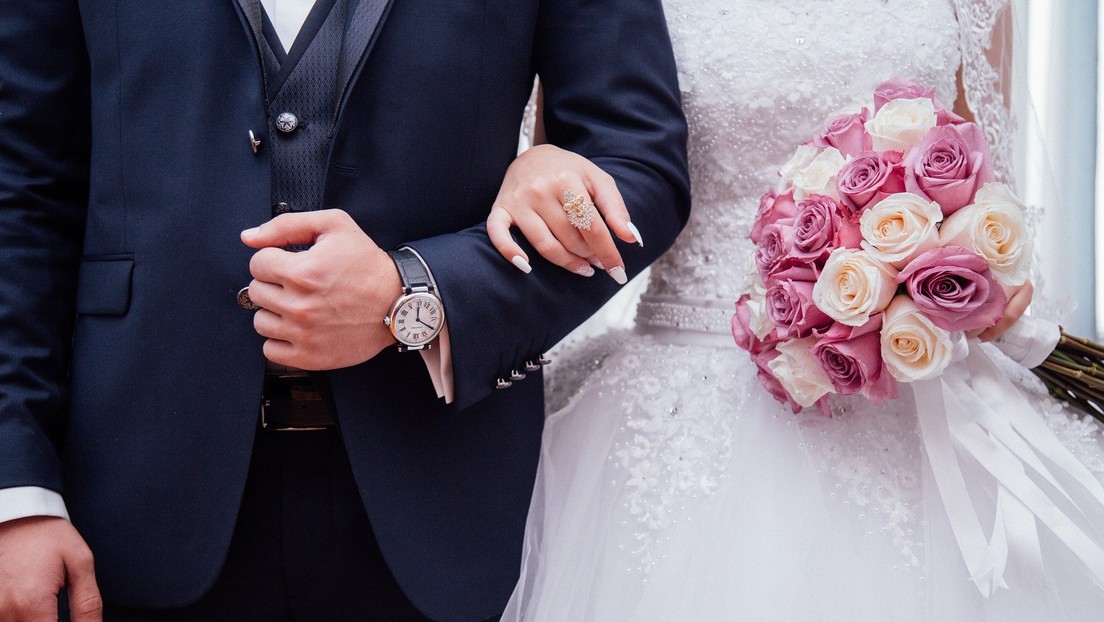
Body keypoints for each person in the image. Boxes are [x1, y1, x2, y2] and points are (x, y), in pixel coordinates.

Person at [0, 1, 689, 620]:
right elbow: (22, 185)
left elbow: (638, 167)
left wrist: (417, 294)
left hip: (441, 494)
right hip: (131, 490)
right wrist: (14, 486)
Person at [490, 0, 1104, 620]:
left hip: (918, 373)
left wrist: (981, 273)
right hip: (685, 393)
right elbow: (580, 184)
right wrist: (532, 167)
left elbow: (978, 161)